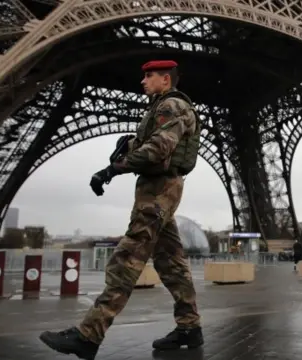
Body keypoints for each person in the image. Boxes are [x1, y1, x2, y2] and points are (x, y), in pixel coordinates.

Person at [39, 60, 204, 360]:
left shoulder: (172, 107)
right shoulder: (162, 107)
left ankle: (89, 334)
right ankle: (189, 327)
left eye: (149, 76)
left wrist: (113, 169)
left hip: (159, 192)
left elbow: (158, 149)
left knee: (126, 259)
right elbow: (150, 144)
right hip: (159, 191)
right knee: (171, 263)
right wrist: (129, 144)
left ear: (165, 79)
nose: (143, 81)